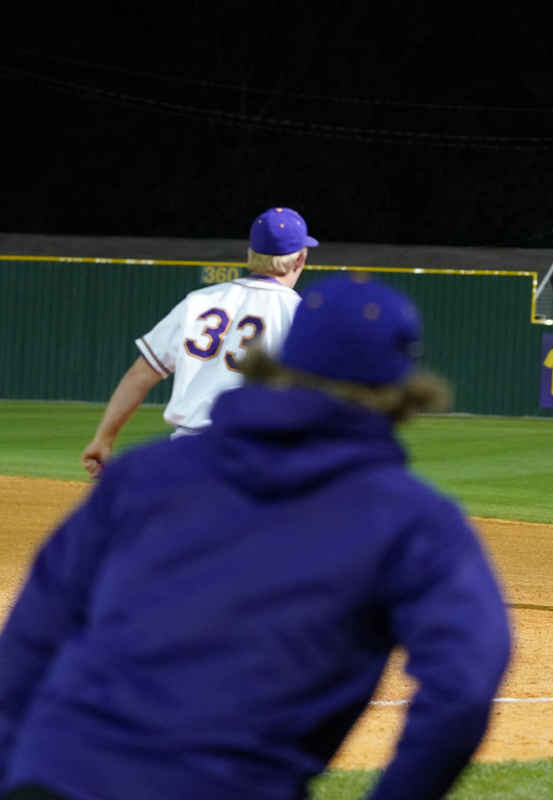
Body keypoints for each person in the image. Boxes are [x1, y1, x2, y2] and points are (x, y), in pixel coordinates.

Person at [0, 276, 513, 800]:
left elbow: (31, 637)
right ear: (405, 386)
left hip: (57, 776)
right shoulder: (414, 520)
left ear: (277, 359)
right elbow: (464, 686)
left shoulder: (142, 475)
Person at [81, 207, 317, 478]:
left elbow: (141, 376)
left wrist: (103, 439)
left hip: (186, 455)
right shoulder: (302, 315)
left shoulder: (199, 302)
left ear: (251, 253)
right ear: (300, 258)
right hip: (253, 458)